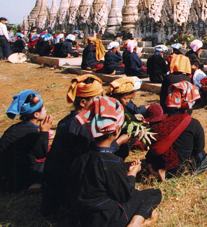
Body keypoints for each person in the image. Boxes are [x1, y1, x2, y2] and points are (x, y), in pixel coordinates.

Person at [68, 96, 161, 227]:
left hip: (82, 217)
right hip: (107, 218)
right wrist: (132, 174)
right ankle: (136, 223)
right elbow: (125, 195)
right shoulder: (112, 162)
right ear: (117, 131)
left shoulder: (80, 155)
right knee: (153, 193)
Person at [41, 75, 128, 215]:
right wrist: (118, 142)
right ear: (83, 102)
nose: (102, 101)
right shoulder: (83, 128)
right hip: (68, 186)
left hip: (55, 182)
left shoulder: (67, 121)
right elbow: (94, 158)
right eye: (98, 98)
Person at [0, 90, 54, 193]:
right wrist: (44, 133)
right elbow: (42, 154)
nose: (46, 112)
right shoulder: (30, 133)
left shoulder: (18, 128)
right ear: (36, 114)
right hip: (10, 181)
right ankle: (34, 184)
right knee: (52, 166)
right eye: (44, 109)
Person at [145, 101, 205, 181]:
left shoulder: (159, 124)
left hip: (157, 162)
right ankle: (167, 172)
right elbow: (199, 148)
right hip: (180, 166)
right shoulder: (193, 123)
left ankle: (152, 169)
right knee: (201, 153)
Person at [108, 77, 147, 159]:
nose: (127, 101)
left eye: (129, 98)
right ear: (116, 97)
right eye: (125, 98)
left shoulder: (123, 106)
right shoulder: (113, 109)